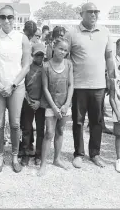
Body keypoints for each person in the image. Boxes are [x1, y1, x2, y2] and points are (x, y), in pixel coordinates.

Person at [65, 2, 114, 169]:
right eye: (90, 12)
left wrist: (111, 77)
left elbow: (108, 57)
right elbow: (65, 58)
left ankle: (95, 153)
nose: (94, 14)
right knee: (78, 122)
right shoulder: (72, 33)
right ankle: (78, 154)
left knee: (97, 122)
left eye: (96, 11)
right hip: (79, 86)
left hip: (99, 85)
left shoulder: (105, 32)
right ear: (81, 14)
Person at [0, 5, 31, 174]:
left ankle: (15, 157)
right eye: (3, 17)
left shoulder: (22, 38)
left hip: (16, 87)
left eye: (10, 17)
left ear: (15, 18)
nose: (6, 20)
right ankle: (0, 158)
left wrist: (11, 85)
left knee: (15, 123)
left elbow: (26, 66)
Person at [38, 38, 74, 176]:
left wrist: (66, 105)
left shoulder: (69, 64)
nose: (62, 52)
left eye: (65, 50)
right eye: (60, 49)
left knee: (60, 131)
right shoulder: (46, 66)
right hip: (50, 105)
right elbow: (45, 88)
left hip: (65, 105)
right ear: (54, 47)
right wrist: (53, 107)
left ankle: (57, 159)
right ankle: (43, 164)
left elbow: (71, 85)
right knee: (49, 133)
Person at [19, 43, 46, 167]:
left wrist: (40, 101)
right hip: (28, 102)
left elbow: (47, 87)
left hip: (41, 103)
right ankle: (25, 154)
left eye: (41, 55)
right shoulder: (27, 68)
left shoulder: (46, 68)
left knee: (40, 130)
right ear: (32, 55)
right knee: (26, 129)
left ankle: (38, 155)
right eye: (37, 55)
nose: (39, 58)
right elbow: (22, 85)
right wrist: (29, 100)